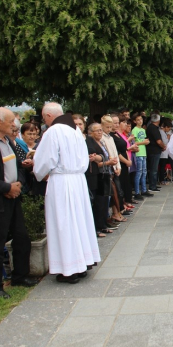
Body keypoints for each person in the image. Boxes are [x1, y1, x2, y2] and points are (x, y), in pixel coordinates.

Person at [33, 103, 101, 284]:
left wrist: (38, 171)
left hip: (62, 182)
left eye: (44, 117)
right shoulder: (76, 132)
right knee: (78, 222)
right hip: (78, 180)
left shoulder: (53, 132)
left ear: (48, 115)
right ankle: (83, 263)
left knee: (64, 222)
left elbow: (45, 160)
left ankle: (69, 270)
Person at [0, 108, 37, 298]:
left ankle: (20, 276)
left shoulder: (9, 142)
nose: (14, 125)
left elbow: (18, 166)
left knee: (21, 236)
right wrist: (7, 188)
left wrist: (19, 184)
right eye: (10, 122)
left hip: (15, 196)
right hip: (3, 197)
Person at [131, 113, 152, 199]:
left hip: (143, 152)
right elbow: (134, 142)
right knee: (139, 172)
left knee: (144, 172)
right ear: (135, 121)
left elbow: (143, 140)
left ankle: (143, 190)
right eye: (138, 120)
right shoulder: (134, 130)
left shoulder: (143, 130)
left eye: (141, 119)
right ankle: (137, 192)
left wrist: (146, 141)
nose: (140, 121)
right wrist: (143, 142)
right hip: (138, 153)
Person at [146, 113, 166, 192]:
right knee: (153, 169)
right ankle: (152, 186)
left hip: (152, 150)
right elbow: (158, 141)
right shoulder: (154, 128)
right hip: (154, 151)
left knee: (153, 168)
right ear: (158, 120)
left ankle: (153, 184)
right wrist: (163, 146)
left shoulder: (150, 127)